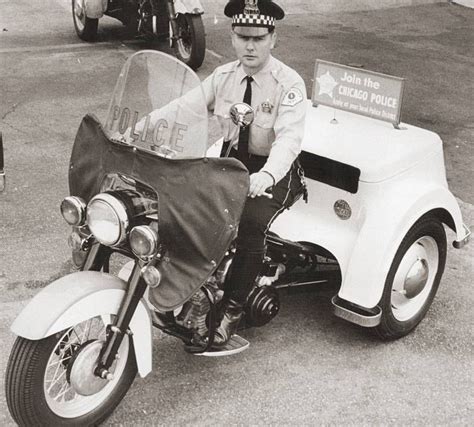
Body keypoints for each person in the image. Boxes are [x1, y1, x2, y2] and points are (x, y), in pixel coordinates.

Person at [201, 0, 308, 348]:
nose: (249, 46)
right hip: (234, 165)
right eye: (242, 37)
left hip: (275, 173)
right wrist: (143, 129)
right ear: (232, 37)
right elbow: (184, 107)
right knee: (193, 205)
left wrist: (268, 176)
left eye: (258, 38)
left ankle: (231, 311)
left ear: (273, 38)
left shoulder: (288, 83)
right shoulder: (223, 76)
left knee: (249, 222)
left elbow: (289, 140)